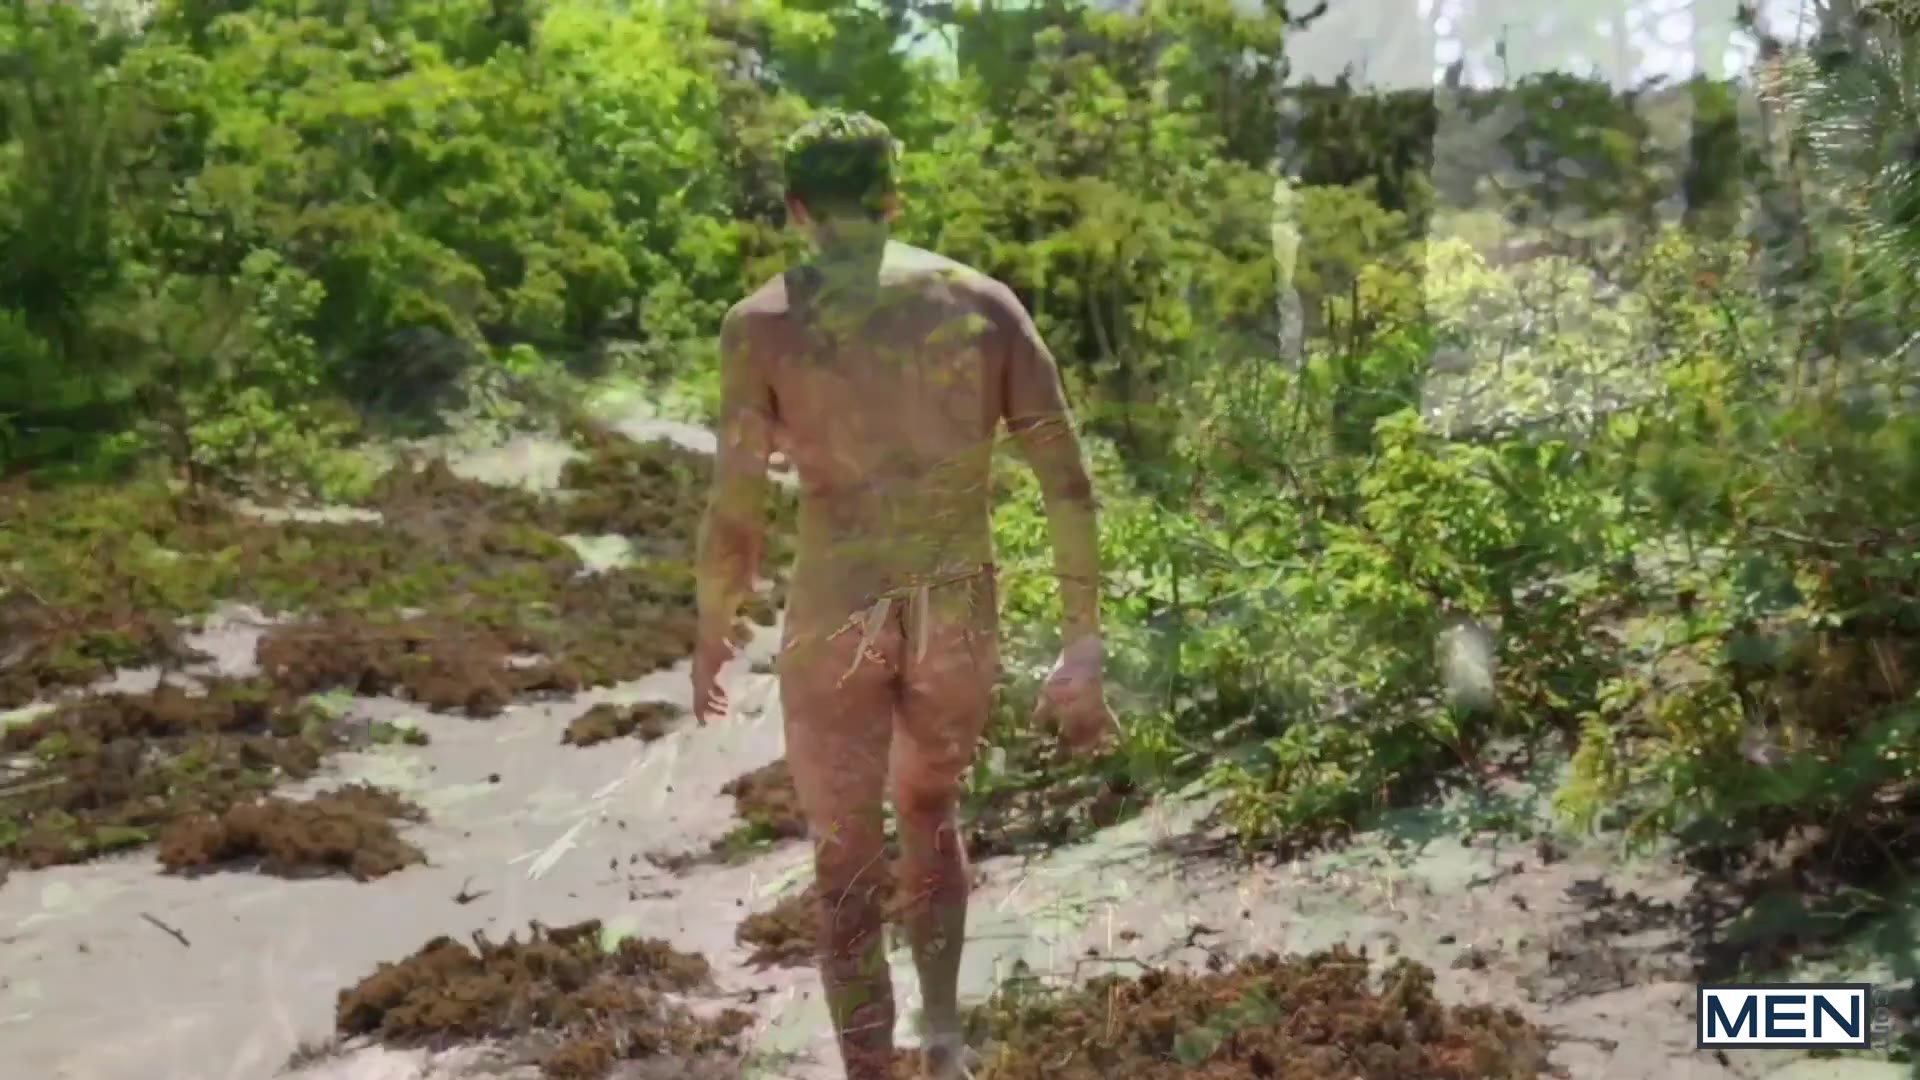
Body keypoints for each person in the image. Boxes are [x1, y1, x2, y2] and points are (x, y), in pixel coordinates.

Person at [691, 110, 1117, 1080]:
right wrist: (1081, 640)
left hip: (835, 612)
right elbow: (1068, 485)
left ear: (796, 209)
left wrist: (714, 625)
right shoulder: (984, 306)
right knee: (931, 814)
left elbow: (736, 506)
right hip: (952, 606)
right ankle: (946, 1040)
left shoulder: (763, 325)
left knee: (843, 858)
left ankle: (872, 1073)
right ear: (895, 196)